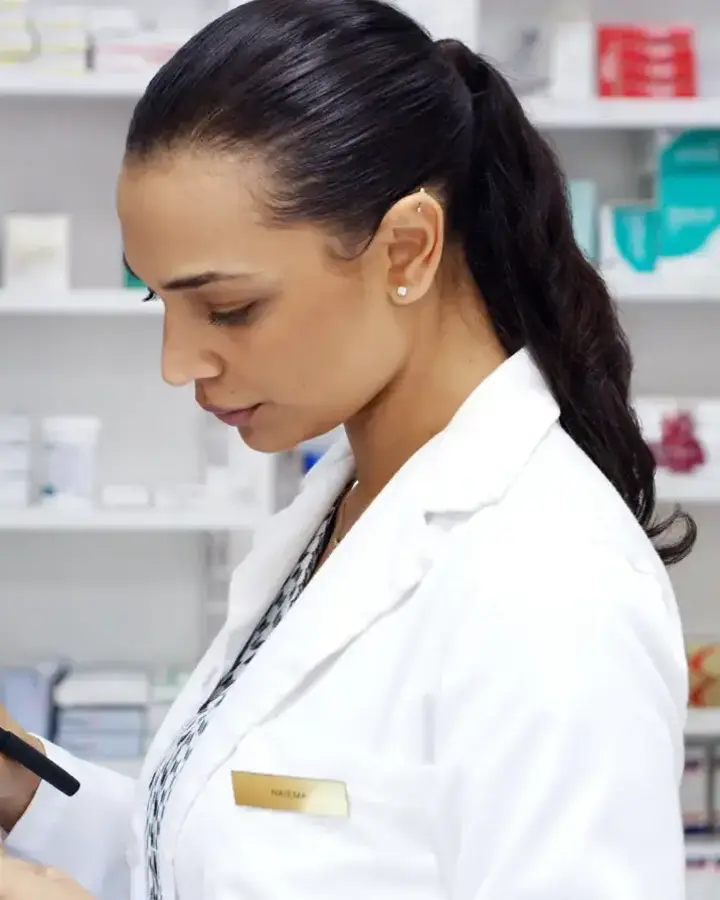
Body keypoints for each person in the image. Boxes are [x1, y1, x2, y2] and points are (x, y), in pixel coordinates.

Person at [0, 0, 696, 897]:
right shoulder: (350, 503)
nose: (179, 364)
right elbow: (258, 853)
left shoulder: (552, 586)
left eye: (229, 308)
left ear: (407, 249)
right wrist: (28, 792)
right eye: (158, 302)